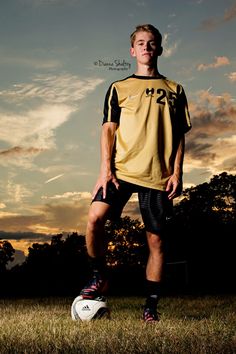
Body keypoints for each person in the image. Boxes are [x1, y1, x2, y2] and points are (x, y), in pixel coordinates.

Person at [79, 24, 191, 322]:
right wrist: (105, 170)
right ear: (132, 50)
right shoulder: (118, 87)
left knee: (156, 242)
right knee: (94, 219)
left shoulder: (175, 89)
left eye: (152, 43)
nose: (146, 47)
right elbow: (108, 130)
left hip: (158, 175)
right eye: (141, 43)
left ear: (160, 49)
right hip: (121, 171)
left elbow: (179, 134)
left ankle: (150, 308)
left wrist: (177, 172)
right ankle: (98, 276)